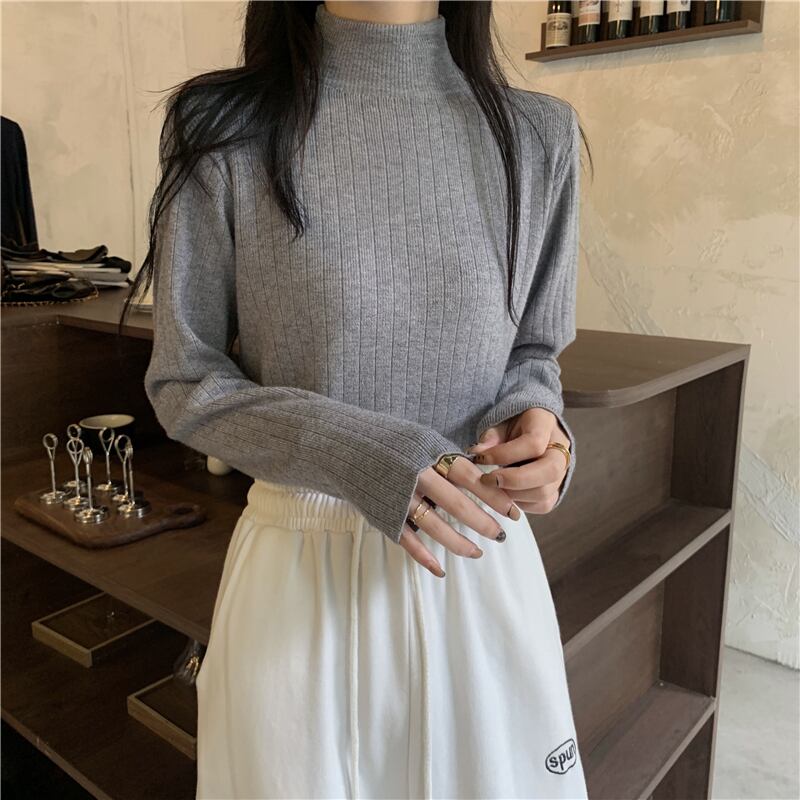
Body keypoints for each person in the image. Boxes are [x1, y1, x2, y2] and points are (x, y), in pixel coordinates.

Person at [132, 1, 590, 797]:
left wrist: (542, 433)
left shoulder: (538, 134)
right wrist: (362, 455)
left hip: (478, 566)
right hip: (300, 585)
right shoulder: (223, 127)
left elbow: (534, 352)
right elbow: (185, 380)